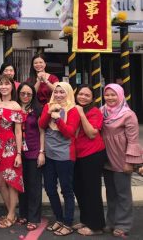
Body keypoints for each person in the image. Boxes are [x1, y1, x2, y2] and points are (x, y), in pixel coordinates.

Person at [101, 84, 143, 238]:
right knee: (110, 193)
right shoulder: (102, 111)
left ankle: (123, 224)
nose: (110, 98)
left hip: (121, 158)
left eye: (113, 95)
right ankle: (111, 221)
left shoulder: (128, 114)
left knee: (123, 194)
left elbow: (133, 141)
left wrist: (129, 162)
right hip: (106, 157)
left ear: (120, 95)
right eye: (107, 95)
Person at [38, 82, 80, 236]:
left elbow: (69, 133)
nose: (59, 95)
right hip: (49, 154)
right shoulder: (48, 106)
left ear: (68, 93)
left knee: (66, 190)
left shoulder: (73, 110)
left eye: (62, 92)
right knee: (49, 188)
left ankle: (68, 223)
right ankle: (59, 219)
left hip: (65, 155)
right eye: (56, 92)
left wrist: (58, 119)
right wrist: (49, 112)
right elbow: (42, 125)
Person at [0, 75, 25, 229]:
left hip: (10, 146)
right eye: (1, 84)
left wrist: (19, 154)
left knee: (11, 181)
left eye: (6, 84)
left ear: (11, 87)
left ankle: (10, 214)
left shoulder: (16, 106)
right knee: (0, 181)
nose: (3, 87)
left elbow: (18, 132)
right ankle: (12, 212)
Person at [73, 84, 106, 236]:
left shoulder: (94, 112)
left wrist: (81, 114)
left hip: (92, 155)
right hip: (77, 155)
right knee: (79, 189)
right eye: (81, 94)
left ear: (92, 98)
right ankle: (86, 219)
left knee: (92, 190)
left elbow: (92, 133)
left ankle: (96, 225)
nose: (83, 97)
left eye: (87, 95)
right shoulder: (74, 109)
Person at [16, 82, 45, 231]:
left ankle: (34, 217)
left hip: (34, 151)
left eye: (29, 94)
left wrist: (41, 152)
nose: (26, 96)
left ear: (33, 95)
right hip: (18, 152)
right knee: (23, 185)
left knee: (34, 186)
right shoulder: (15, 108)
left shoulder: (37, 110)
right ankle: (24, 214)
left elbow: (42, 132)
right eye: (23, 93)